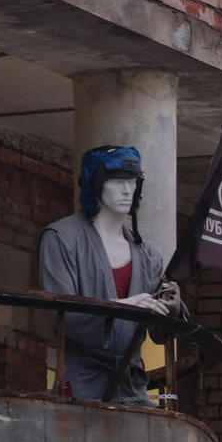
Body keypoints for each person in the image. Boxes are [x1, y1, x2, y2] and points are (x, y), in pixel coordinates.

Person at [38, 146, 179, 404]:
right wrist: (121, 307)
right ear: (95, 184)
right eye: (116, 181)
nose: (127, 190)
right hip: (82, 381)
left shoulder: (149, 254)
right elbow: (64, 314)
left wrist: (172, 305)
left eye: (132, 181)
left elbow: (161, 334)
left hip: (133, 386)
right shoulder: (61, 238)